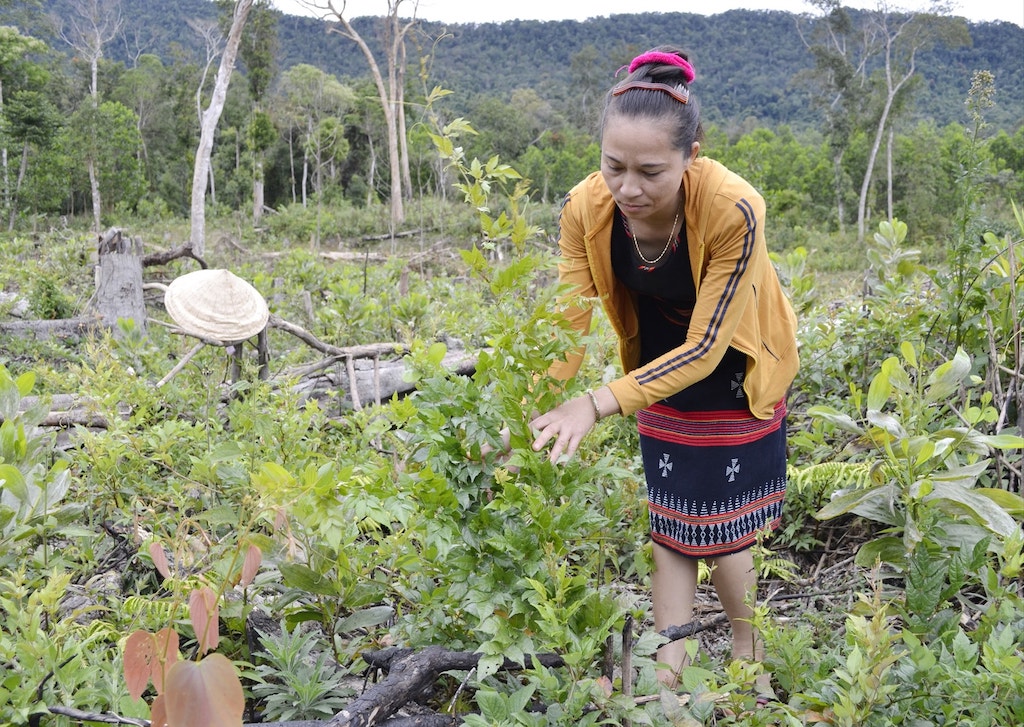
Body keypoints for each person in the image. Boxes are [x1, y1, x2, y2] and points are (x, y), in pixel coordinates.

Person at [528, 46, 799, 690]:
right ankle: (667, 672)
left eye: (651, 171)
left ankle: (746, 649)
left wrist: (596, 403)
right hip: (653, 365)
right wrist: (532, 412)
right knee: (671, 516)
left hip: (732, 360)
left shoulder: (735, 208)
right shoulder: (583, 209)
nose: (628, 187)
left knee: (727, 524)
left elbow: (707, 345)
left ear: (691, 155)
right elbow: (567, 320)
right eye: (613, 166)